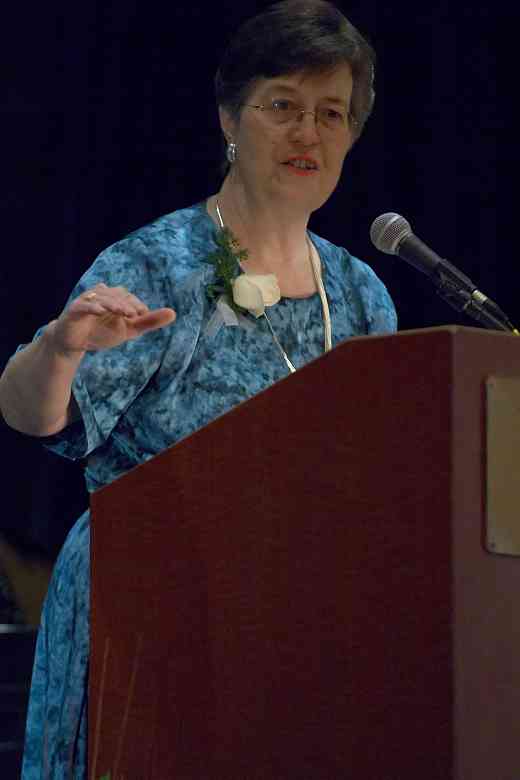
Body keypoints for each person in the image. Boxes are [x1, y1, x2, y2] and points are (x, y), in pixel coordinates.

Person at [0, 0, 397, 776]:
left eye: (331, 113)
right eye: (282, 106)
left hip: (292, 617)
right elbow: (35, 417)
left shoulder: (361, 293)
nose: (308, 133)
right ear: (228, 118)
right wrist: (58, 347)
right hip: (147, 605)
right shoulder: (159, 263)